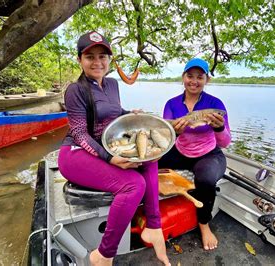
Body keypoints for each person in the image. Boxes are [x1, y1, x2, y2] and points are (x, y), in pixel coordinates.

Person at [57, 31, 170, 266]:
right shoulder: (75, 90)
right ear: (80, 59)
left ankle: (153, 226)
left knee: (150, 156)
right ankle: (103, 254)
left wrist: (131, 114)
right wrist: (109, 158)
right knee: (134, 185)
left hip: (105, 146)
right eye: (90, 57)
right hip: (76, 153)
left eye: (102, 56)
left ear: (109, 60)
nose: (97, 62)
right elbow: (79, 133)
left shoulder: (112, 84)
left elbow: (114, 113)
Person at [158, 58, 231, 251]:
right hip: (180, 150)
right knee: (147, 161)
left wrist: (220, 127)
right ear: (183, 77)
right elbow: (165, 138)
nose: (194, 81)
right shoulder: (172, 104)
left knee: (206, 180)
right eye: (190, 76)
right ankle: (148, 209)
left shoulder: (215, 104)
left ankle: (204, 225)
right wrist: (176, 132)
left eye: (200, 77)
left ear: (207, 80)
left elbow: (225, 143)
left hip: (208, 154)